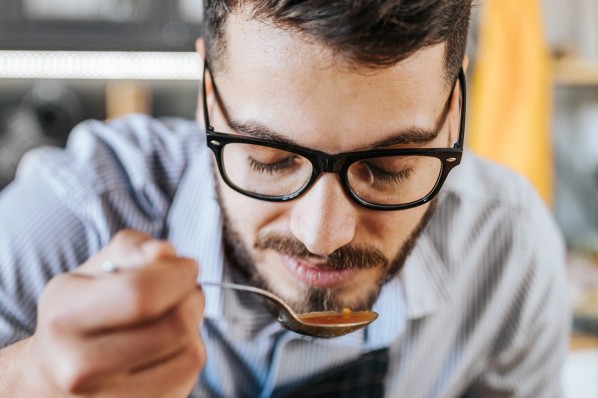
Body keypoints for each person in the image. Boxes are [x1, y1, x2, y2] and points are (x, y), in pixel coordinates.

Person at [0, 1, 570, 397]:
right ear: (207, 95)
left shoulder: (508, 248)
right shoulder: (75, 214)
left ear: (455, 113)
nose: (322, 235)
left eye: (387, 167)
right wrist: (30, 381)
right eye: (270, 159)